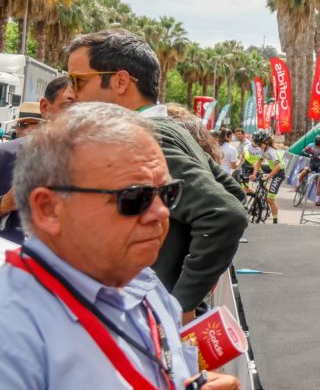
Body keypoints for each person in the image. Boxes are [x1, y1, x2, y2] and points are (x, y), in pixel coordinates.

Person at [0, 102, 240, 389]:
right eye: (134, 197)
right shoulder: (12, 332)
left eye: (168, 192)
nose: (161, 212)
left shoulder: (147, 286)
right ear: (49, 208)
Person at [65, 30, 248, 321]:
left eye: (78, 80)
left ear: (121, 81)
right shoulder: (169, 129)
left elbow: (225, 214)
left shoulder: (145, 137)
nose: (70, 93)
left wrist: (181, 302)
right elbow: (232, 194)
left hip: (142, 316)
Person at [0, 75, 75, 243]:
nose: (77, 116)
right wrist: (5, 204)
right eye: (69, 106)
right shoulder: (5, 155)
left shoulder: (101, 166)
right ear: (45, 107)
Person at [249, 130, 284, 224]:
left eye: (260, 144)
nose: (259, 146)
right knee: (254, 165)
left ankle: (275, 222)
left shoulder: (272, 151)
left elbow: (279, 166)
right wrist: (254, 174)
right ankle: (264, 188)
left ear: (266, 142)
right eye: (258, 145)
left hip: (279, 172)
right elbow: (259, 163)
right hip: (271, 168)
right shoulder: (263, 149)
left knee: (270, 199)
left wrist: (268, 176)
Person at [299, 134, 320, 204]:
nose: (318, 144)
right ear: (315, 141)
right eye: (317, 142)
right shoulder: (311, 145)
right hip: (312, 164)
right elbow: (303, 151)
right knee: (304, 172)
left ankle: (317, 200)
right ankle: (299, 184)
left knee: (318, 183)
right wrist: (308, 154)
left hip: (319, 165)